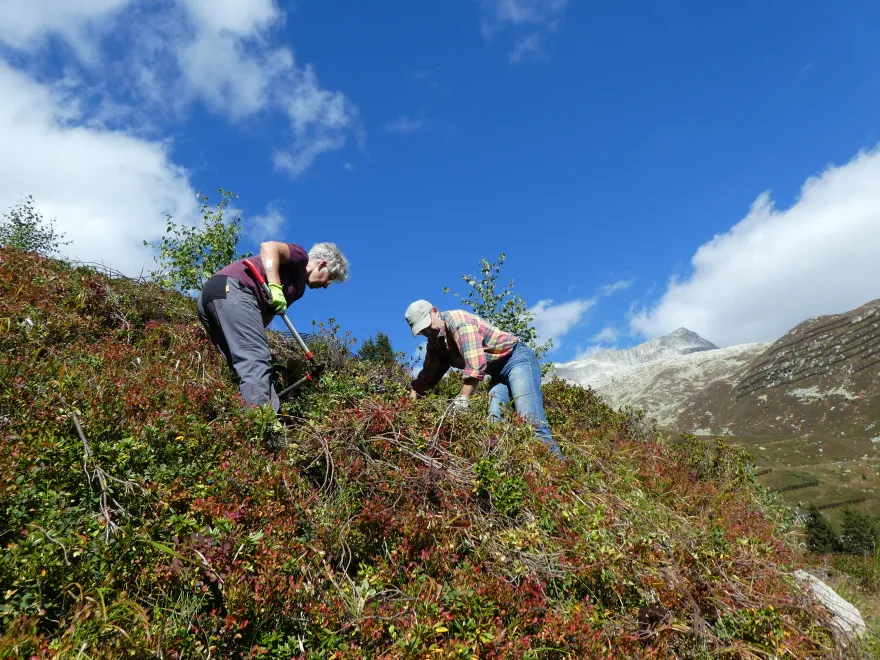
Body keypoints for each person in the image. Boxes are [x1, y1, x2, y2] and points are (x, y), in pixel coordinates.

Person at [197, 241, 349, 411]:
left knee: (244, 363)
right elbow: (269, 247)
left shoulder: (296, 289)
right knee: (255, 361)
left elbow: (264, 317)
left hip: (214, 297)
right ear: (322, 264)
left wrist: (258, 342)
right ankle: (258, 423)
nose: (327, 285)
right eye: (331, 277)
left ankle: (255, 415)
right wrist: (275, 287)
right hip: (234, 289)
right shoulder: (300, 257)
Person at [405, 300, 562, 458]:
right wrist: (406, 411)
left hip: (517, 359)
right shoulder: (435, 344)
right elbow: (425, 380)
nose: (426, 332)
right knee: (493, 425)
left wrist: (463, 399)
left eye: (427, 325)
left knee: (531, 421)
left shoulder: (458, 321)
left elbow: (475, 365)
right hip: (497, 373)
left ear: (435, 310)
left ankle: (559, 472)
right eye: (421, 331)